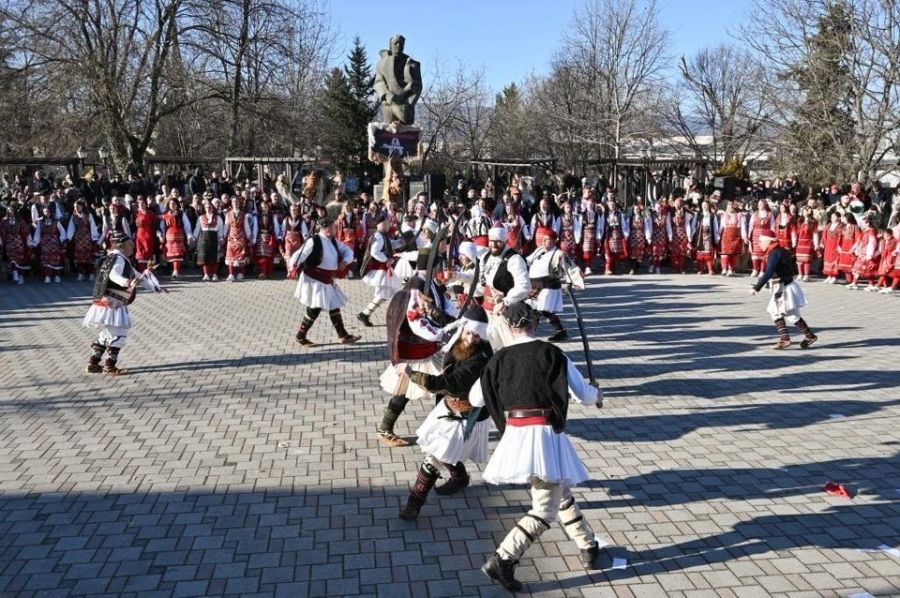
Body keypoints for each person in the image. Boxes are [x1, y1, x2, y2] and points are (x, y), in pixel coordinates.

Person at [470, 302, 605, 592]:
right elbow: (583, 394)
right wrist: (597, 393)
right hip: (544, 436)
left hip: (516, 436)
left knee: (560, 491)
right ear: (535, 323)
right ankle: (503, 559)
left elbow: (475, 400)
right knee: (545, 509)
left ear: (508, 327)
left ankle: (588, 545)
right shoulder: (553, 353)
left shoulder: (498, 359)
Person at [394, 306, 493, 520]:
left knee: (435, 454)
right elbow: (451, 321)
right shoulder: (460, 339)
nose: (470, 338)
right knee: (444, 448)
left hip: (468, 415)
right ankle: (459, 477)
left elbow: (450, 383)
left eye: (476, 335)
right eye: (468, 332)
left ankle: (414, 503)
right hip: (450, 406)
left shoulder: (480, 358)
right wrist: (432, 310)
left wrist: (412, 373)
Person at [376, 250, 456, 447]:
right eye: (437, 265)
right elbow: (416, 321)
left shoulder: (428, 283)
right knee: (406, 389)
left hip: (427, 346)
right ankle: (386, 429)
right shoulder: (416, 287)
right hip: (416, 348)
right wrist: (440, 334)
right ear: (432, 266)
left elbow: (439, 308)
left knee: (442, 385)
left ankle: (441, 427)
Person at [288, 217, 360, 347]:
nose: (335, 230)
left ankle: (343, 335)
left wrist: (345, 261)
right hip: (314, 279)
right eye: (333, 227)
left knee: (333, 305)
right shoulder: (313, 241)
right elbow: (300, 254)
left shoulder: (333, 241)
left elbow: (347, 251)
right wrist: (293, 264)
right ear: (326, 229)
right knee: (315, 308)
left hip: (327, 279)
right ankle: (300, 336)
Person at [82, 232, 141, 374]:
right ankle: (109, 366)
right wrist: (126, 282)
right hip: (113, 302)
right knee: (119, 333)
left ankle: (93, 363)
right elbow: (113, 275)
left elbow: (138, 275)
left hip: (104, 300)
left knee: (108, 333)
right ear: (122, 246)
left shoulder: (114, 257)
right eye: (130, 244)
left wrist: (156, 286)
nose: (133, 247)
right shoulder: (119, 259)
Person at [751, 229, 818, 350]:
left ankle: (785, 339)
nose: (759, 243)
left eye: (761, 241)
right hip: (786, 285)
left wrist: (757, 287)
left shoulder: (774, 253)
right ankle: (809, 336)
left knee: (776, 312)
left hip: (783, 287)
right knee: (790, 313)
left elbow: (769, 272)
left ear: (768, 241)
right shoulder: (781, 251)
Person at [477, 226, 531, 350]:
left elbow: (525, 286)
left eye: (498, 241)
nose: (494, 244)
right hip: (487, 313)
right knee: (491, 348)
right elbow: (482, 283)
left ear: (505, 241)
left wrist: (505, 302)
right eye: (491, 240)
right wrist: (457, 277)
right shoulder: (486, 257)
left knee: (511, 348)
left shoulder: (514, 259)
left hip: (506, 314)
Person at [358, 214, 401, 327]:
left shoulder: (382, 236)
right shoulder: (379, 236)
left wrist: (400, 242)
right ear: (381, 223)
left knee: (393, 292)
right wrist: (387, 259)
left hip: (385, 269)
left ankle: (366, 314)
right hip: (381, 270)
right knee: (383, 294)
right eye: (387, 222)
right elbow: (374, 252)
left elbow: (389, 245)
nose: (389, 224)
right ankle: (364, 314)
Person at [525, 230, 569, 341]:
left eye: (547, 239)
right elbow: (527, 260)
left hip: (548, 285)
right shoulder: (539, 250)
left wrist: (569, 283)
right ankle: (560, 331)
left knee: (540, 310)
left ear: (555, 240)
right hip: (534, 284)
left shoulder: (559, 254)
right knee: (537, 310)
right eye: (543, 239)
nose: (543, 241)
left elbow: (570, 269)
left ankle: (530, 335)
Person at [373, 34, 422, 125]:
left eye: (401, 44)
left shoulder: (412, 64)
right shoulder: (381, 63)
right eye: (396, 43)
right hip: (388, 105)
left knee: (406, 135)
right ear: (390, 46)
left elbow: (418, 85)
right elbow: (378, 82)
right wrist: (386, 94)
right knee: (388, 135)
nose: (399, 46)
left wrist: (409, 103)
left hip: (405, 106)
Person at [32, 202, 67, 283]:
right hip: (45, 244)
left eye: (47, 212)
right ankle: (48, 276)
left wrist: (62, 240)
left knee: (55, 259)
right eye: (44, 212)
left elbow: (62, 231)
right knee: (46, 260)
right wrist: (34, 243)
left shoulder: (56, 222)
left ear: (50, 212)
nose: (46, 213)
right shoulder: (41, 222)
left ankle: (57, 275)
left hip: (55, 243)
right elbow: (37, 233)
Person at [67, 199, 101, 282]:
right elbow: (71, 226)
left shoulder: (88, 215)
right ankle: (80, 274)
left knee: (89, 257)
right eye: (75, 207)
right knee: (79, 257)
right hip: (78, 238)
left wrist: (94, 238)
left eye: (78, 206)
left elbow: (92, 226)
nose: (76, 208)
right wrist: (69, 237)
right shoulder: (73, 216)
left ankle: (91, 274)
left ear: (82, 207)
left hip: (87, 238)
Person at [160, 198, 192, 278]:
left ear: (177, 204)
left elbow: (187, 226)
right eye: (171, 203)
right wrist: (161, 236)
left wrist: (189, 236)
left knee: (178, 255)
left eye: (174, 203)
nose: (172, 205)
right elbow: (162, 227)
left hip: (179, 237)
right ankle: (174, 270)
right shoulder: (165, 215)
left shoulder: (181, 214)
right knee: (171, 255)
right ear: (168, 205)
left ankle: (176, 271)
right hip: (169, 238)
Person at [194, 198, 224, 281]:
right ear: (204, 208)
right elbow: (197, 229)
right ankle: (206, 274)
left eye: (210, 207)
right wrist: (194, 237)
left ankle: (214, 274)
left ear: (212, 208)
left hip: (214, 237)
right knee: (205, 257)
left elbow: (221, 228)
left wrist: (221, 237)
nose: (208, 209)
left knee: (215, 257)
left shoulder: (218, 218)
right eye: (206, 207)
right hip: (203, 237)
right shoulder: (201, 218)